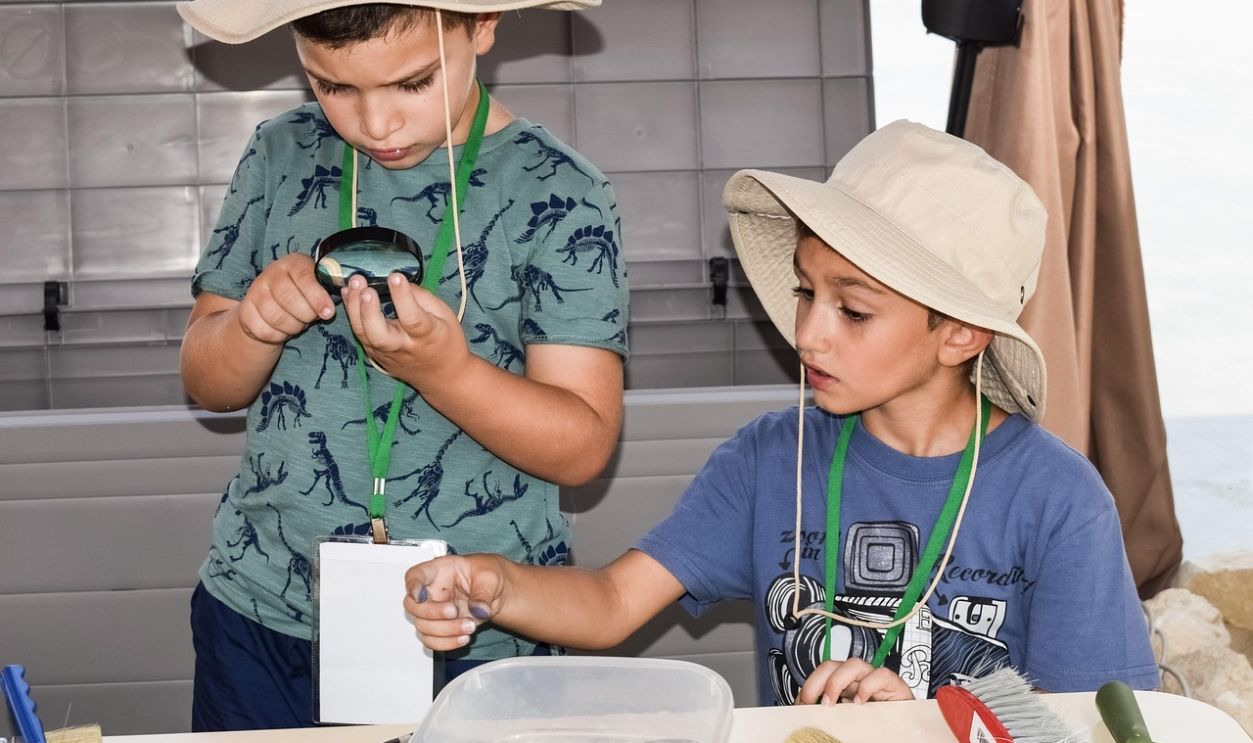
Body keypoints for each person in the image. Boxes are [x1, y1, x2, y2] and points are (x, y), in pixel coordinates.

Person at [405, 121, 1160, 707]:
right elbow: (609, 602)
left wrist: (930, 719)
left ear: (959, 333)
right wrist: (498, 584)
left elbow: (1096, 718)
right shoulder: (770, 457)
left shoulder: (1059, 500)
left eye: (853, 310)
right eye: (805, 292)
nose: (806, 333)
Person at [176, 0, 627, 730]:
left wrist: (447, 372)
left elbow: (582, 447)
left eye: (412, 84)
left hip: (473, 626)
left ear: (483, 26)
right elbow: (204, 380)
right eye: (332, 86)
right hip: (260, 608)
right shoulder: (278, 155)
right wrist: (250, 325)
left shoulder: (559, 193)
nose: (374, 124)